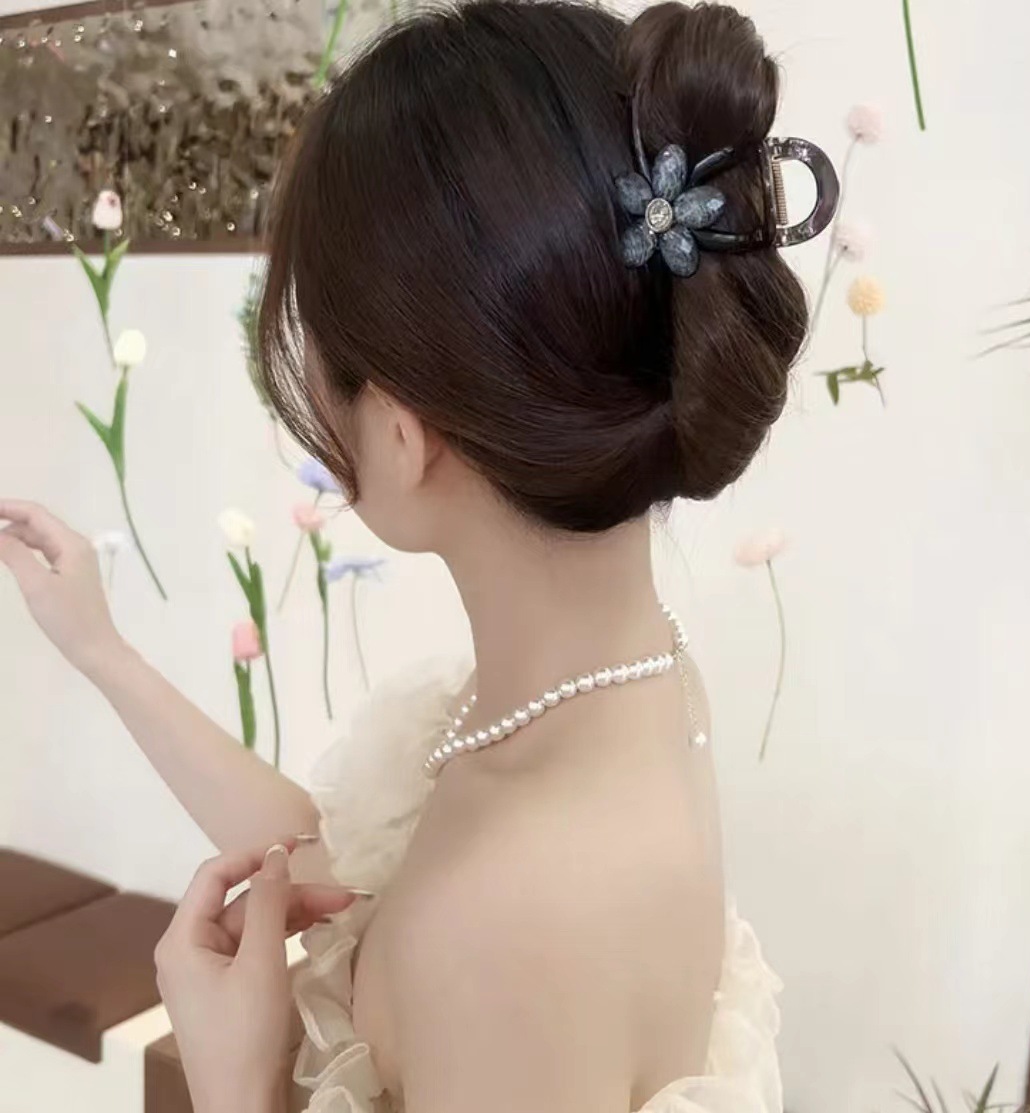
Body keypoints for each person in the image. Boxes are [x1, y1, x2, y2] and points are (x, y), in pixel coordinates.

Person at [0, 1, 823, 1109]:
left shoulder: (507, 922)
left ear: (400, 432)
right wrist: (100, 648)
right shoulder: (614, 683)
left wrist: (237, 1083)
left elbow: (448, 918)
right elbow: (356, 872)